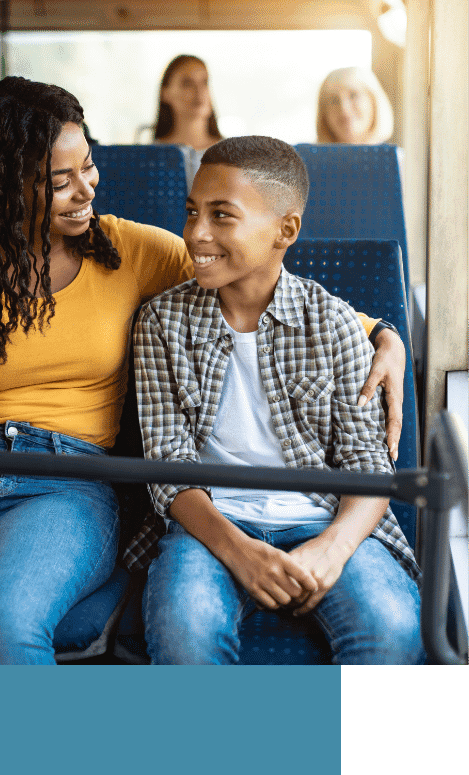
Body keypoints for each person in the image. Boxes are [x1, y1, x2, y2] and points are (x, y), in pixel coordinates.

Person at [0, 79, 408, 666]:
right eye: (60, 181)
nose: (86, 190)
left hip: (69, 479)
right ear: (3, 189)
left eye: (89, 167)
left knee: (2, 628)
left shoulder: (131, 253)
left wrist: (381, 334)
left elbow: (252, 283)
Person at [134, 136, 424, 665]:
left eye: (223, 216)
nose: (196, 233)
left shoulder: (332, 321)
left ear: (285, 230)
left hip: (324, 518)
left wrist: (331, 551)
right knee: (185, 634)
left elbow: (369, 466)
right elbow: (168, 468)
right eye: (192, 212)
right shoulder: (161, 322)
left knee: (392, 632)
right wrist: (241, 555)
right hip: (210, 526)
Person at [152, 55, 223, 187]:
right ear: (165, 93)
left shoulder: (233, 157)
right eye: (187, 84)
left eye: (205, 82)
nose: (199, 91)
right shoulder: (149, 158)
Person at [316, 66, 394, 145]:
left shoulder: (395, 156)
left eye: (353, 95)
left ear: (373, 101)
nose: (344, 108)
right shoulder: (306, 156)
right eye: (334, 100)